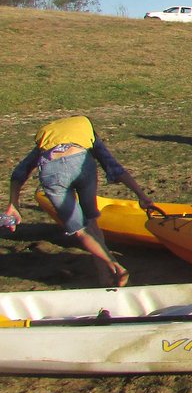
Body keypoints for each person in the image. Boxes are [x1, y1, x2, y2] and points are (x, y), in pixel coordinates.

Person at [5, 115, 157, 287]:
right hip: (83, 165)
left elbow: (19, 173)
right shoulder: (87, 134)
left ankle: (113, 266)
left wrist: (14, 205)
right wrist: (142, 196)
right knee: (91, 222)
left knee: (81, 230)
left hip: (53, 171)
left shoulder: (48, 139)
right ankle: (106, 275)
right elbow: (115, 168)